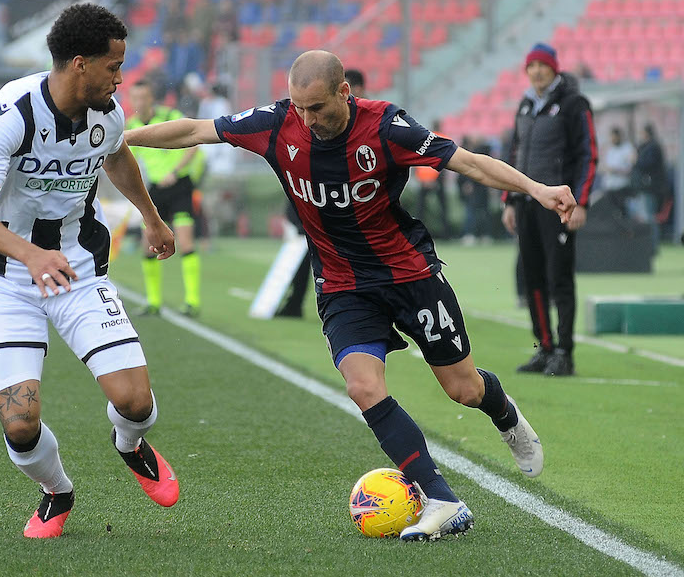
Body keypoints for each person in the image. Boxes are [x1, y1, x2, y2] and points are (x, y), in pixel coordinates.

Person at [126, 50, 575, 541]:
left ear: (344, 92)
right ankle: (443, 499)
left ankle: (503, 413)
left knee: (462, 389)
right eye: (298, 107)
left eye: (316, 108)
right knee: (363, 386)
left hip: (409, 275)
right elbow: (194, 130)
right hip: (343, 285)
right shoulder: (277, 125)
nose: (306, 119)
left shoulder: (387, 127)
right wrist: (118, 138)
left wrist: (536, 188)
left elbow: (466, 163)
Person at [0, 3, 179, 539]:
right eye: (112, 67)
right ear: (79, 64)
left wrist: (151, 217)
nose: (119, 79)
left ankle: (130, 444)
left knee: (136, 403)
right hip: (4, 278)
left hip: (77, 270)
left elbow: (117, 157)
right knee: (20, 423)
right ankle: (57, 491)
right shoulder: (14, 112)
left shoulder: (108, 112)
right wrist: (29, 254)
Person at [502, 43, 595, 377]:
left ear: (554, 68)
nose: (537, 71)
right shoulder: (526, 105)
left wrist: (580, 201)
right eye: (531, 66)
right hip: (526, 204)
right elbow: (515, 156)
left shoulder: (573, 103)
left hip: (558, 206)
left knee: (560, 279)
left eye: (542, 65)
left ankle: (565, 353)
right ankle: (544, 347)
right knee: (533, 279)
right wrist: (509, 201)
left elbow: (588, 153)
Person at [277, 67, 366, 318]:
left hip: (349, 207)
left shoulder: (370, 120)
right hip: (316, 201)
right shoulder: (313, 121)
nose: (309, 118)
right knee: (306, 254)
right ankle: (295, 301)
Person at [127, 78, 202, 317]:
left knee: (186, 242)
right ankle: (153, 302)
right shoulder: (131, 124)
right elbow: (127, 160)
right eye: (135, 98)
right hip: (155, 190)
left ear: (151, 98)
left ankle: (192, 301)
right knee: (148, 245)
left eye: (143, 97)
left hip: (179, 186)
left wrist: (176, 171)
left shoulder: (170, 115)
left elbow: (193, 144)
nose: (140, 102)